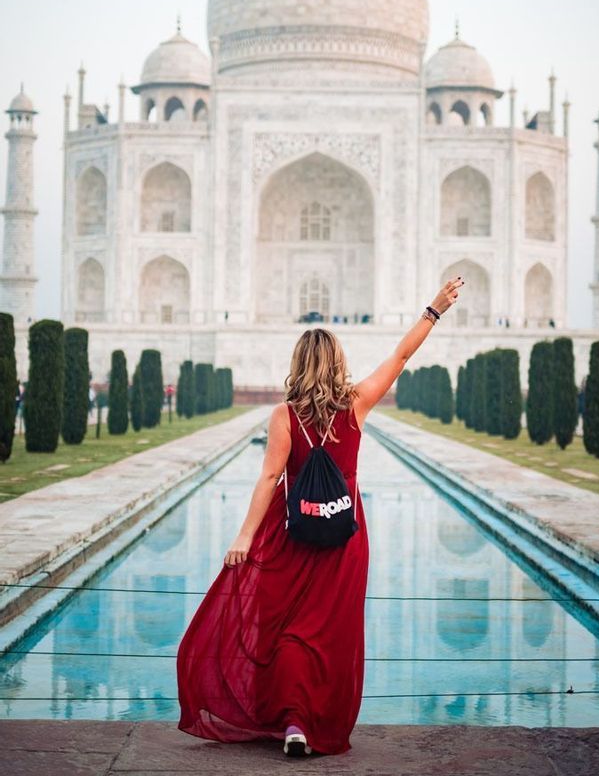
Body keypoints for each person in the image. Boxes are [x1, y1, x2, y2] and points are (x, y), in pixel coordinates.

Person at [176, 275, 464, 756]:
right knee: (327, 634)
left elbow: (270, 479)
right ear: (337, 364)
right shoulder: (357, 404)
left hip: (293, 535)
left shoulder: (284, 416)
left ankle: (292, 723)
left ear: (298, 364)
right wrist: (432, 310)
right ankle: (310, 722)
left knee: (287, 630)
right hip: (345, 538)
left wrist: (244, 536)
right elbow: (400, 357)